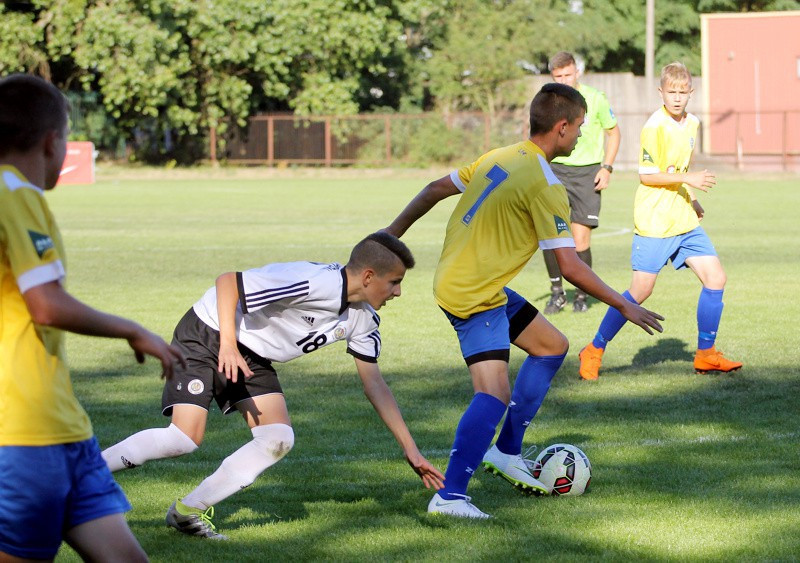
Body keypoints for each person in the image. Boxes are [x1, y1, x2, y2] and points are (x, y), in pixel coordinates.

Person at [382, 83, 664, 519]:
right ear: (562, 127)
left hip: (467, 279)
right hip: (474, 293)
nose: (581, 136)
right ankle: (450, 496)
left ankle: (506, 451)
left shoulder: (501, 155)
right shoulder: (546, 184)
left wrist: (389, 235)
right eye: (580, 129)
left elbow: (437, 187)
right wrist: (624, 304)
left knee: (551, 346)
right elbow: (569, 266)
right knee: (493, 394)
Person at [102, 232, 445, 539]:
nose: (398, 292)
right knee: (183, 439)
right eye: (395, 282)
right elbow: (227, 282)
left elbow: (376, 385)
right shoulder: (314, 282)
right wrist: (227, 345)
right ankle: (81, 476)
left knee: (277, 439)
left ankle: (187, 511)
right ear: (369, 276)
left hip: (251, 353)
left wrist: (410, 449)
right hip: (209, 332)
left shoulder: (363, 318)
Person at [0, 74, 185, 561]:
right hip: (21, 436)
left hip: (66, 430)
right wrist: (132, 329)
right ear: (52, 139)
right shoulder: (13, 192)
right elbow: (45, 303)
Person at [578, 62, 743, 381]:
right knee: (640, 291)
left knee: (716, 278)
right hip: (654, 220)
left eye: (683, 92)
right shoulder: (654, 126)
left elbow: (679, 168)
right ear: (661, 92)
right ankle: (594, 349)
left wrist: (690, 197)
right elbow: (647, 175)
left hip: (683, 218)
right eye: (671, 92)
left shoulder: (693, 122)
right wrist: (689, 179)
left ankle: (706, 354)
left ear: (691, 93)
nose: (677, 98)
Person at [543, 51, 621, 314]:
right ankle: (557, 293)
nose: (563, 80)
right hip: (555, 171)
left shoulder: (595, 99)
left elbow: (614, 132)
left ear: (577, 71)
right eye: (558, 76)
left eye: (567, 74)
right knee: (552, 235)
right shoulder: (548, 101)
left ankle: (581, 294)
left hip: (587, 173)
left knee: (580, 239)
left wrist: (607, 168)